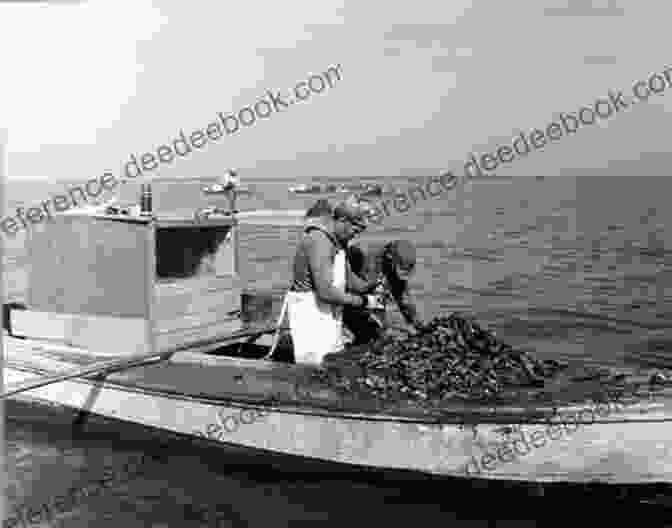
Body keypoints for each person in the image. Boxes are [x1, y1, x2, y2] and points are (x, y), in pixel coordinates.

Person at [284, 199, 385, 364]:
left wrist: (372, 285)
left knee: (333, 361)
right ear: (342, 220)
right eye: (356, 228)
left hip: (330, 314)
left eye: (360, 231)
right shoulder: (319, 241)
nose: (356, 234)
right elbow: (325, 292)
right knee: (315, 368)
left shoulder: (338, 242)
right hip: (312, 316)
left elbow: (351, 283)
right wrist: (364, 301)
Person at [343, 239, 423, 346]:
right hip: (343, 297)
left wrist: (418, 325)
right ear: (389, 259)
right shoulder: (366, 257)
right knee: (375, 336)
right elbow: (369, 301)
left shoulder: (393, 265)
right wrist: (388, 327)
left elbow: (403, 298)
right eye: (397, 270)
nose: (397, 276)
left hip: (362, 298)